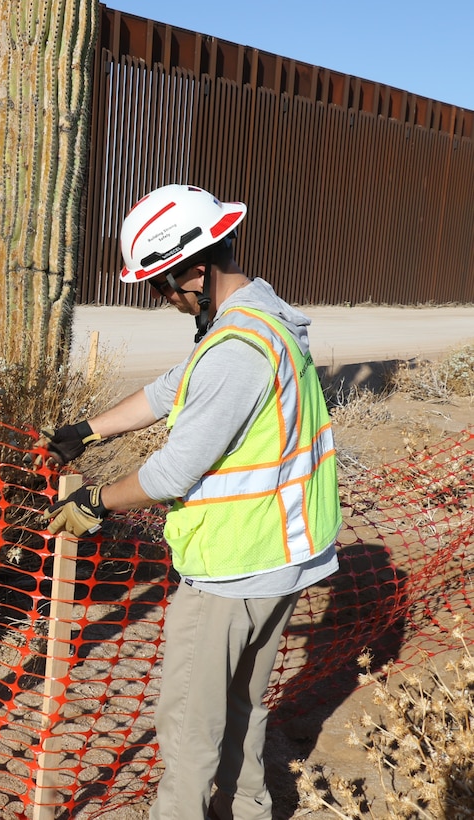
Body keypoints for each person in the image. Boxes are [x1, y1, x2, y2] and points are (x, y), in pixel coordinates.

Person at [40, 184, 341, 820]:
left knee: (185, 727)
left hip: (232, 572)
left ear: (196, 270)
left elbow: (174, 470)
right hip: (280, 556)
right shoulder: (259, 317)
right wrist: (90, 431)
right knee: (240, 709)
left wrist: (98, 502)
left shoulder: (237, 352)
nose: (162, 300)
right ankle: (248, 810)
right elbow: (170, 389)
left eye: (162, 286)